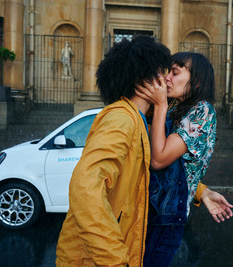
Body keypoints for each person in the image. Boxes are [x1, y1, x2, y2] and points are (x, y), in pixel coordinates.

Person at [55, 35, 172, 266]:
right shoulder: (122, 119)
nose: (168, 78)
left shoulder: (137, 121)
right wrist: (115, 259)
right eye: (163, 71)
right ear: (146, 79)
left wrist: (200, 191)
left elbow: (149, 172)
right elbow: (86, 187)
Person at [136, 52, 233, 266]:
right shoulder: (177, 111)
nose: (166, 78)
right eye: (167, 71)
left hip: (166, 217)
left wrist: (160, 105)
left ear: (197, 81)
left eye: (175, 72)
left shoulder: (203, 112)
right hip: (155, 211)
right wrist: (202, 191)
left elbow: (159, 160)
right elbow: (177, 168)